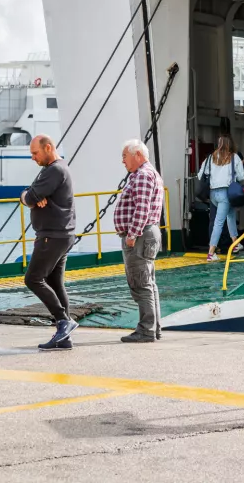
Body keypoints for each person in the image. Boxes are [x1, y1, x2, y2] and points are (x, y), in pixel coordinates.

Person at [20, 135, 78, 350]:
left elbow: (30, 196)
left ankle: (64, 321)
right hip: (61, 234)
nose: (33, 158)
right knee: (54, 282)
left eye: (35, 153)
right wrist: (29, 195)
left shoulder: (54, 170)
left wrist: (28, 197)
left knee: (33, 279)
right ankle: (64, 337)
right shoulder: (55, 169)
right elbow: (30, 193)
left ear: (48, 148)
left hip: (51, 235)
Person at [113, 139, 166, 343]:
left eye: (125, 156)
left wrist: (132, 235)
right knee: (149, 283)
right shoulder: (148, 173)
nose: (123, 161)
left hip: (141, 235)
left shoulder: (143, 175)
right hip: (147, 233)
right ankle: (154, 328)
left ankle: (146, 330)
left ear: (137, 155)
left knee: (141, 284)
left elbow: (141, 208)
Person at [198, 135, 244, 262]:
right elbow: (241, 177)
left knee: (230, 216)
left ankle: (235, 244)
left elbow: (199, 175)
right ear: (230, 145)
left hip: (213, 194)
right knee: (219, 223)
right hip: (226, 193)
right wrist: (240, 165)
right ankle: (211, 253)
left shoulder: (210, 157)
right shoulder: (234, 157)